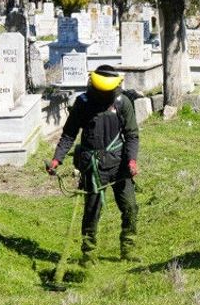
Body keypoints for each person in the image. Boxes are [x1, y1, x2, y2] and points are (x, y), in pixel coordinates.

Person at [47, 65, 140, 264]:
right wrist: (57, 158)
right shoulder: (83, 103)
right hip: (93, 167)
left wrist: (131, 160)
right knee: (92, 211)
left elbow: (132, 135)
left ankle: (128, 249)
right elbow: (69, 134)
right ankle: (88, 253)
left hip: (120, 166)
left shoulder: (123, 102)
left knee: (130, 207)